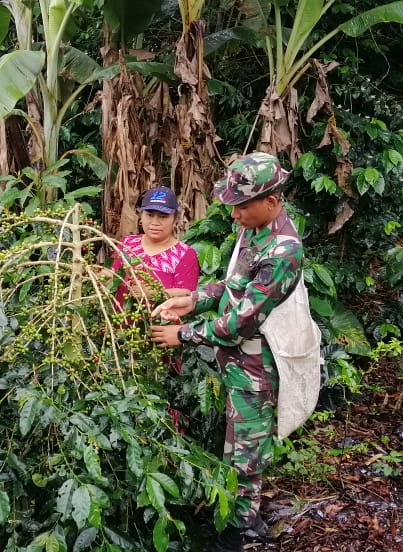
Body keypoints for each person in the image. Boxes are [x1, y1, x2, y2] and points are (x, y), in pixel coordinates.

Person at [149, 153, 305, 552]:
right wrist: (193, 299)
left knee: (247, 452)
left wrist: (182, 334)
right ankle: (233, 513)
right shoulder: (252, 230)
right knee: (233, 442)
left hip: (257, 365)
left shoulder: (284, 251)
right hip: (234, 359)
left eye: (241, 205)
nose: (234, 214)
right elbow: (232, 286)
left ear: (271, 202)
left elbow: (242, 322)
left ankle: (235, 533)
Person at [110, 185, 200, 305]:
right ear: (140, 216)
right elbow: (113, 275)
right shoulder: (127, 244)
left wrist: (155, 292)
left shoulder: (184, 254)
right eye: (150, 215)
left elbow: (187, 294)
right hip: (120, 320)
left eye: (163, 217)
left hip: (161, 320)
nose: (155, 223)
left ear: (175, 220)